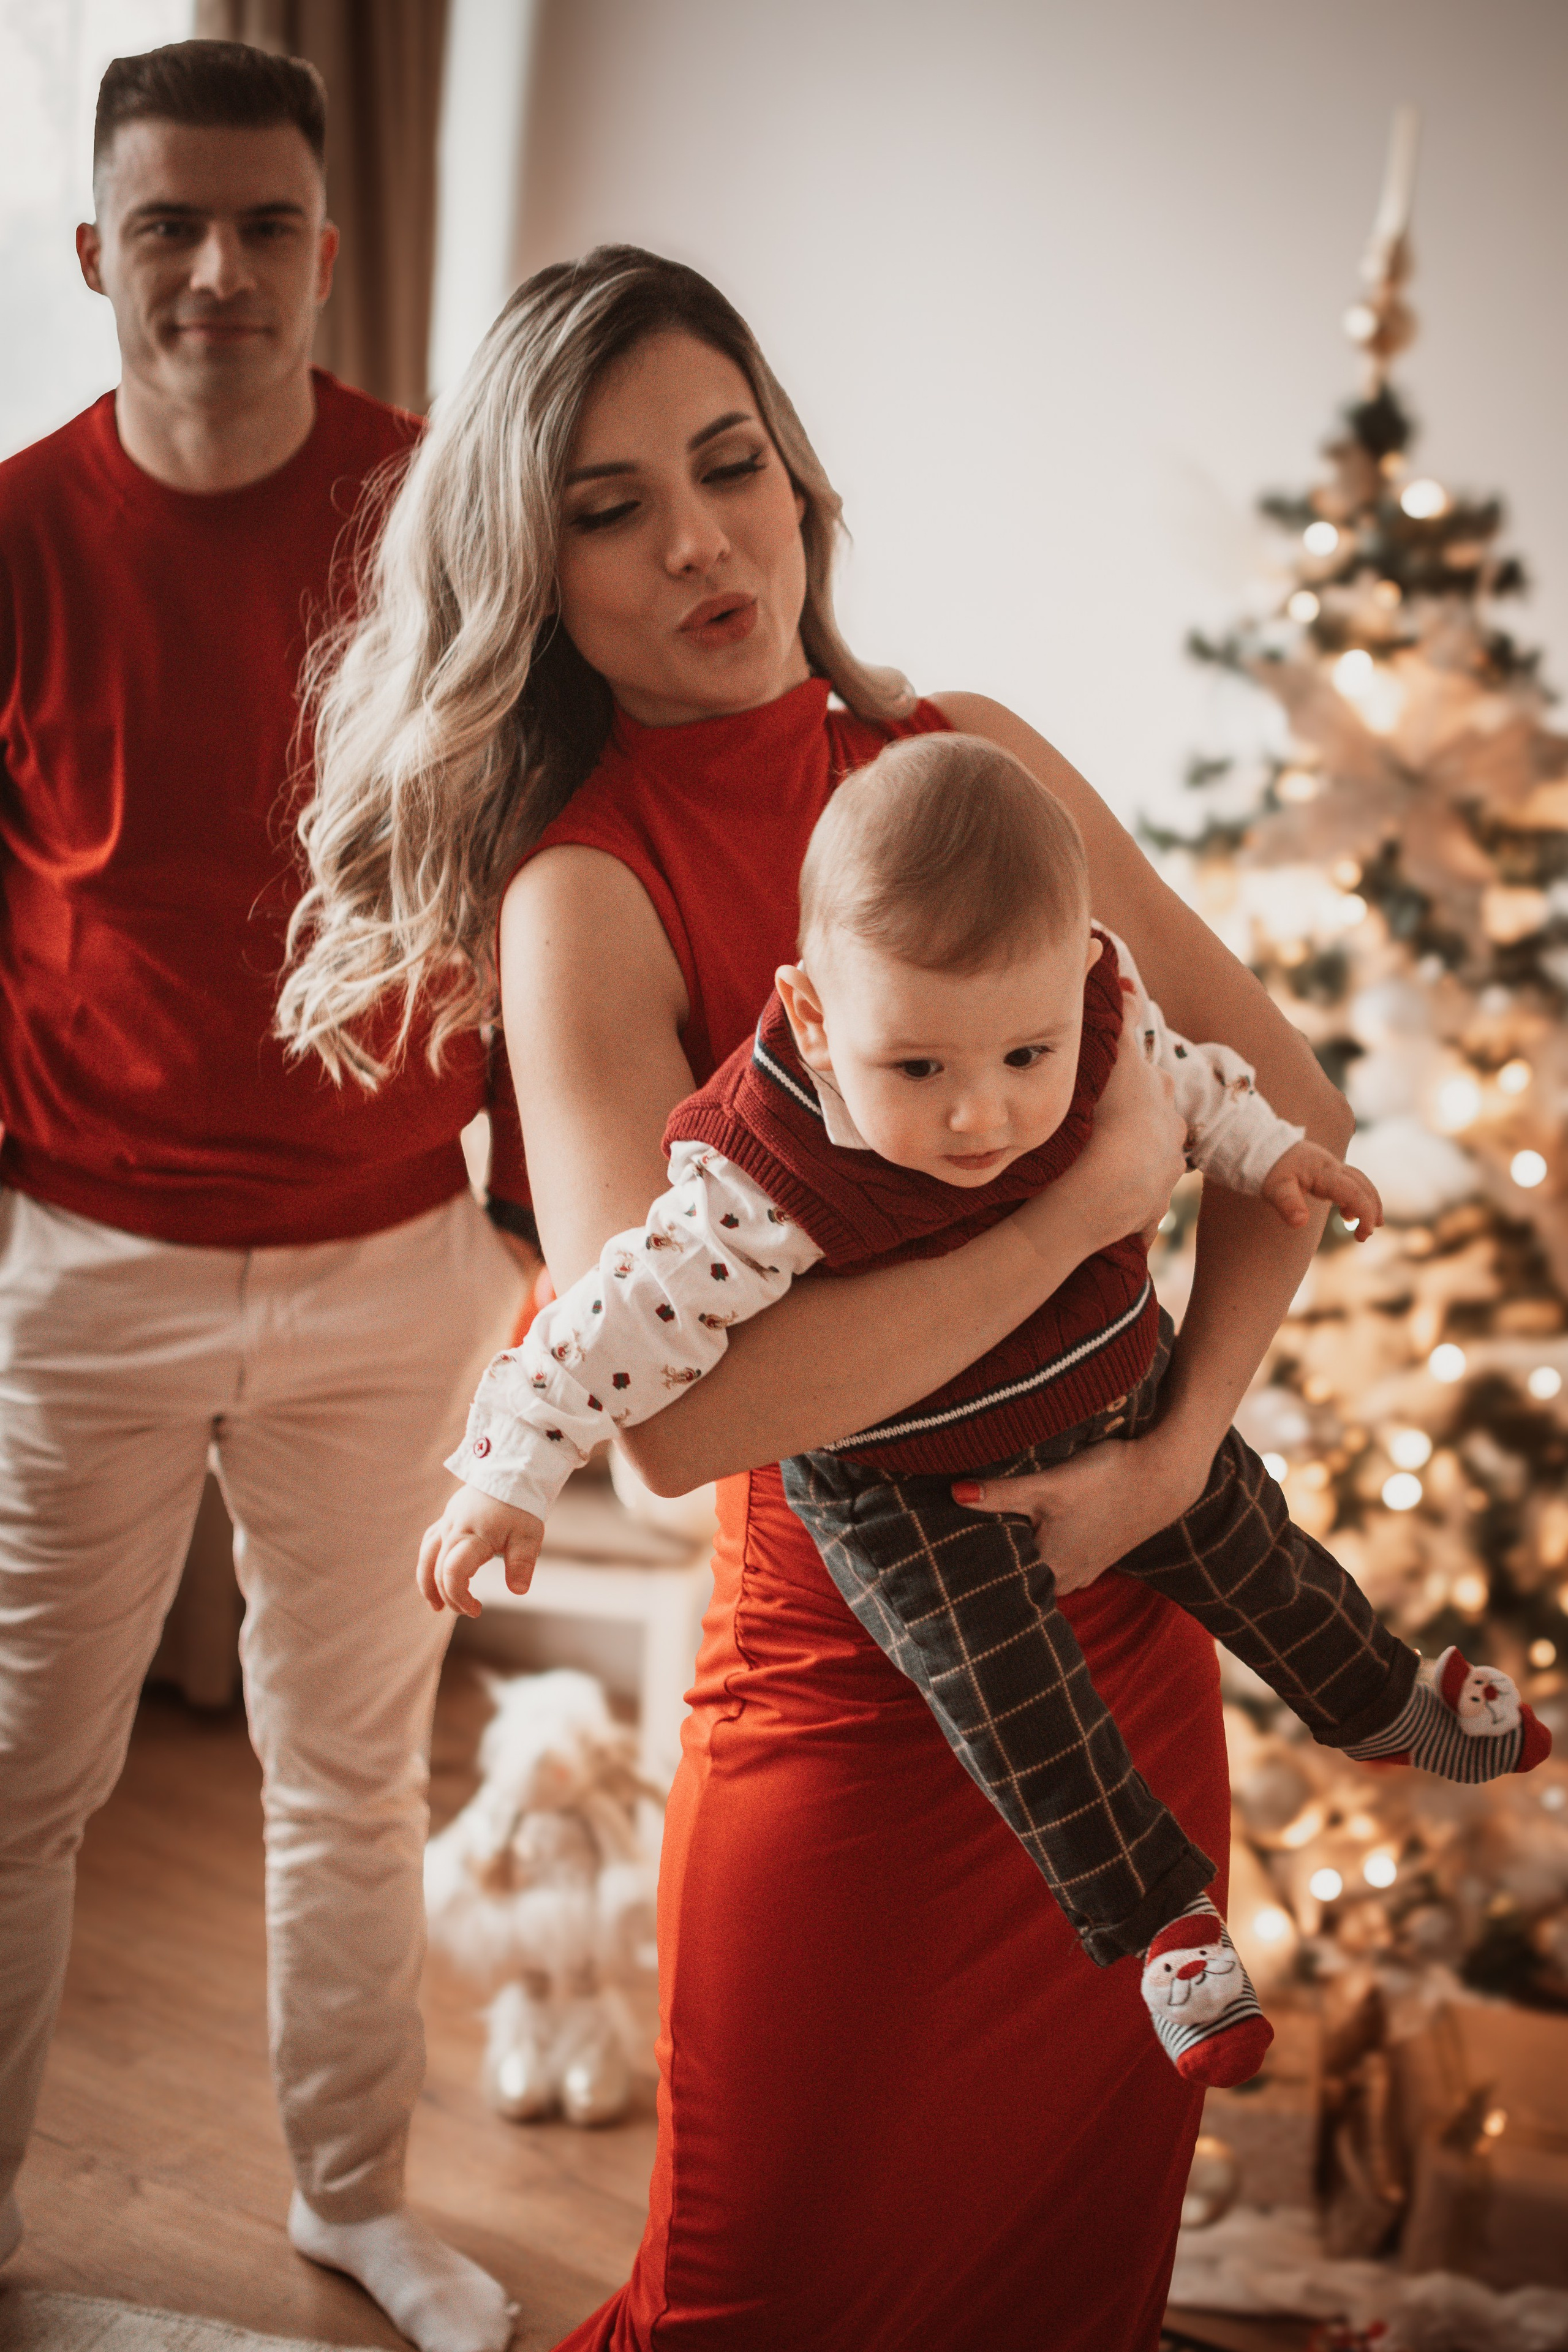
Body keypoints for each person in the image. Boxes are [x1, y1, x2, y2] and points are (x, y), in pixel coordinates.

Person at [281, 244, 1353, 2351]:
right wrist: (1069, 1219)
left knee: (1071, 2289)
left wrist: (1175, 1456)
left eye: (729, 464)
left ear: (798, 481)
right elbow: (681, 1423)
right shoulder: (585, 892)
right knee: (762, 2296)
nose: (700, 541)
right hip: (850, 1709)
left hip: (1123, 1653)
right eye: (612, 509)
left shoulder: (974, 760)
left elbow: (1291, 1118)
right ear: (537, 574)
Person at [420, 729, 1546, 2094]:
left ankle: (1379, 1701)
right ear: (816, 1020)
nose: (981, 1115)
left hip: (1111, 1388)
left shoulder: (1090, 1016)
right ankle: (1166, 1930)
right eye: (919, 1071)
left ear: (1080, 975)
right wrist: (512, 1466)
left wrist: (1273, 1156)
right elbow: (621, 1318)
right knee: (1016, 1704)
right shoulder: (767, 1167)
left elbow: (1193, 1082)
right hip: (915, 1493)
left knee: (1249, 1534)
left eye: (1025, 1054)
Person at [0, 43, 529, 2351]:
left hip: (395, 1263)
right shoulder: (15, 536)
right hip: (82, 1261)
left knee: (351, 1780)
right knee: (20, 1783)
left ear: (324, 251)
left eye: (264, 227)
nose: (217, 268)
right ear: (94, 250)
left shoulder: (443, 525)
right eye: (170, 225)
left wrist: (538, 1215)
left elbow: (550, 857)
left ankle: (357, 2202)